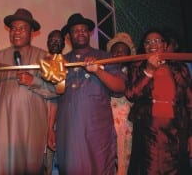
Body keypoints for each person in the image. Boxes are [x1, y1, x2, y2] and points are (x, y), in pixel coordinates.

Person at [0, 8, 56, 175]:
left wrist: (34, 81)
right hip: (2, 128)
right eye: (13, 28)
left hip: (32, 128)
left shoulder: (45, 57)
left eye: (22, 28)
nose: (16, 32)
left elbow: (56, 91)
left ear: (32, 32)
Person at [55, 13, 126, 174]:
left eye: (84, 30)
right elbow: (53, 93)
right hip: (70, 131)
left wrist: (98, 71)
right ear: (68, 36)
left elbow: (121, 87)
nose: (80, 33)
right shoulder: (61, 61)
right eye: (75, 30)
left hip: (97, 131)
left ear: (89, 33)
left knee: (99, 167)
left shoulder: (104, 57)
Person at [125, 28, 192, 174]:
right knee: (150, 169)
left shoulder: (180, 68)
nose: (152, 44)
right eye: (147, 42)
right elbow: (131, 94)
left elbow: (189, 103)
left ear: (165, 45)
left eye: (157, 41)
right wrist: (149, 70)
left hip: (176, 130)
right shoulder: (137, 65)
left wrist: (190, 134)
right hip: (149, 131)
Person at [106, 32, 135, 175]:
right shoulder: (103, 71)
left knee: (125, 159)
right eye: (116, 51)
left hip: (127, 124)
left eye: (123, 51)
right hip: (106, 121)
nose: (118, 54)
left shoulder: (134, 73)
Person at [44, 30, 65, 175]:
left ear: (64, 43)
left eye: (58, 40)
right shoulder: (40, 63)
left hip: (65, 122)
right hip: (42, 120)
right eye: (52, 39)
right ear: (47, 43)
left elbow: (58, 93)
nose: (55, 42)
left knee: (62, 165)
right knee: (45, 166)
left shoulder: (69, 63)